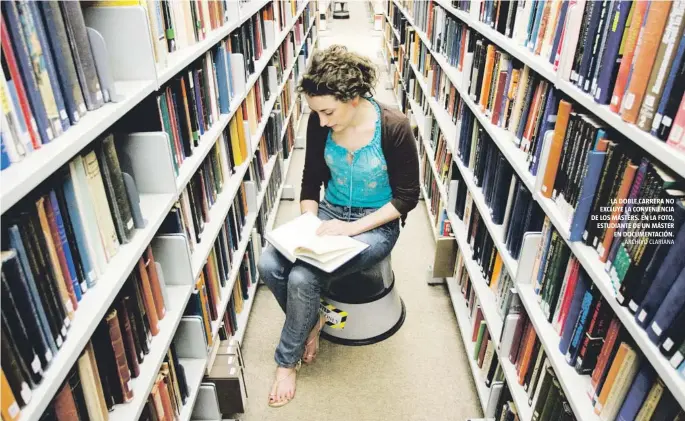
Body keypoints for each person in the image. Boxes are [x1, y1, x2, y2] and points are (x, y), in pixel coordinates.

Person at [257, 44, 420, 407]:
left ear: (354, 98)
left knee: (303, 277)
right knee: (268, 263)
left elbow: (407, 197)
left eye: (328, 111)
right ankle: (311, 320)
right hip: (329, 213)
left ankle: (287, 360)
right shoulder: (322, 126)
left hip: (376, 224)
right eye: (316, 112)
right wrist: (308, 219)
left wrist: (351, 229)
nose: (321, 121)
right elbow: (310, 180)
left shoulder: (394, 127)